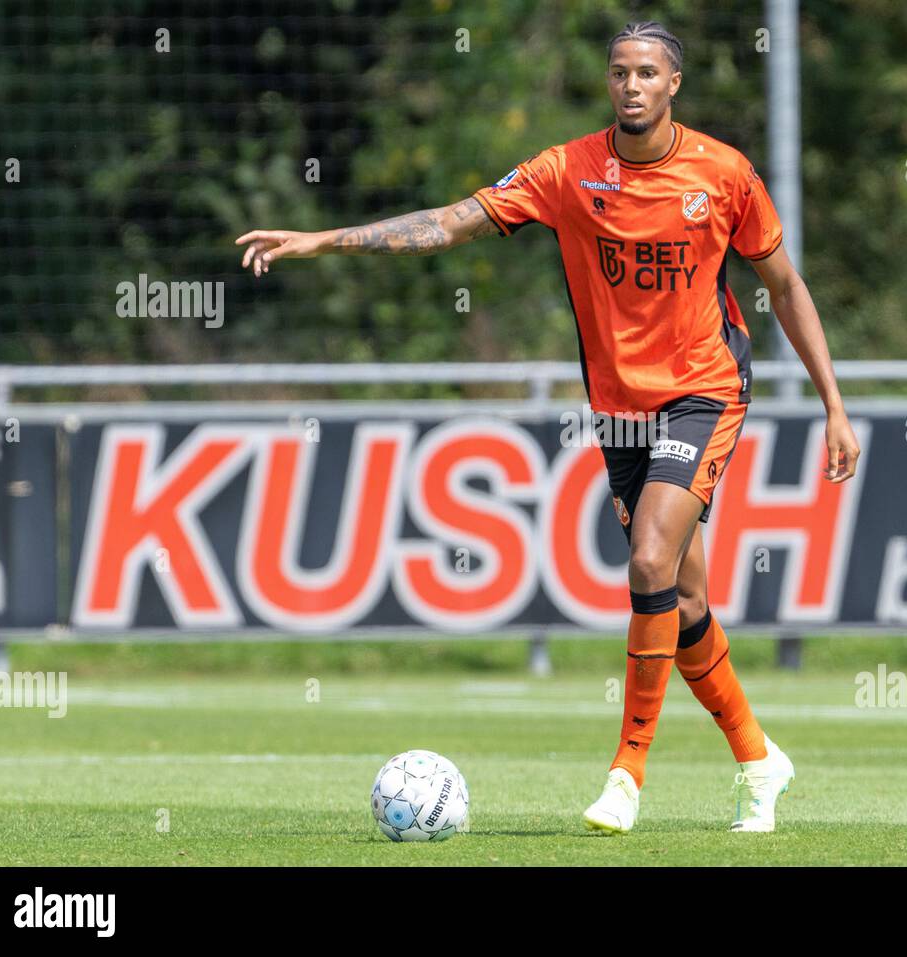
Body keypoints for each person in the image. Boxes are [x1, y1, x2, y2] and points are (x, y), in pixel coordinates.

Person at [236, 20, 860, 834]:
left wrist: (834, 405)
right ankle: (757, 758)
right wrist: (321, 240)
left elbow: (784, 285)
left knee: (645, 561)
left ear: (674, 85)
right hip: (620, 407)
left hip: (705, 389)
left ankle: (626, 774)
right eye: (618, 72)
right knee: (683, 593)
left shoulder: (724, 174)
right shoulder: (567, 171)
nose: (630, 85)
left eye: (646, 73)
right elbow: (451, 222)